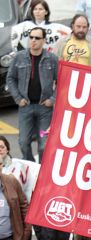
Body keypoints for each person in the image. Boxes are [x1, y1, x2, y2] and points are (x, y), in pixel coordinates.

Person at [6, 26, 57, 163]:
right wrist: (18, 98)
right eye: (31, 37)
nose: (33, 40)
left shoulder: (51, 59)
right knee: (23, 142)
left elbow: (61, 81)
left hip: (45, 110)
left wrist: (52, 99)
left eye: (37, 38)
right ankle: (30, 166)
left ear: (44, 41)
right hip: (26, 108)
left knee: (43, 145)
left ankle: (41, 172)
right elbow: (10, 78)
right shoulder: (19, 57)